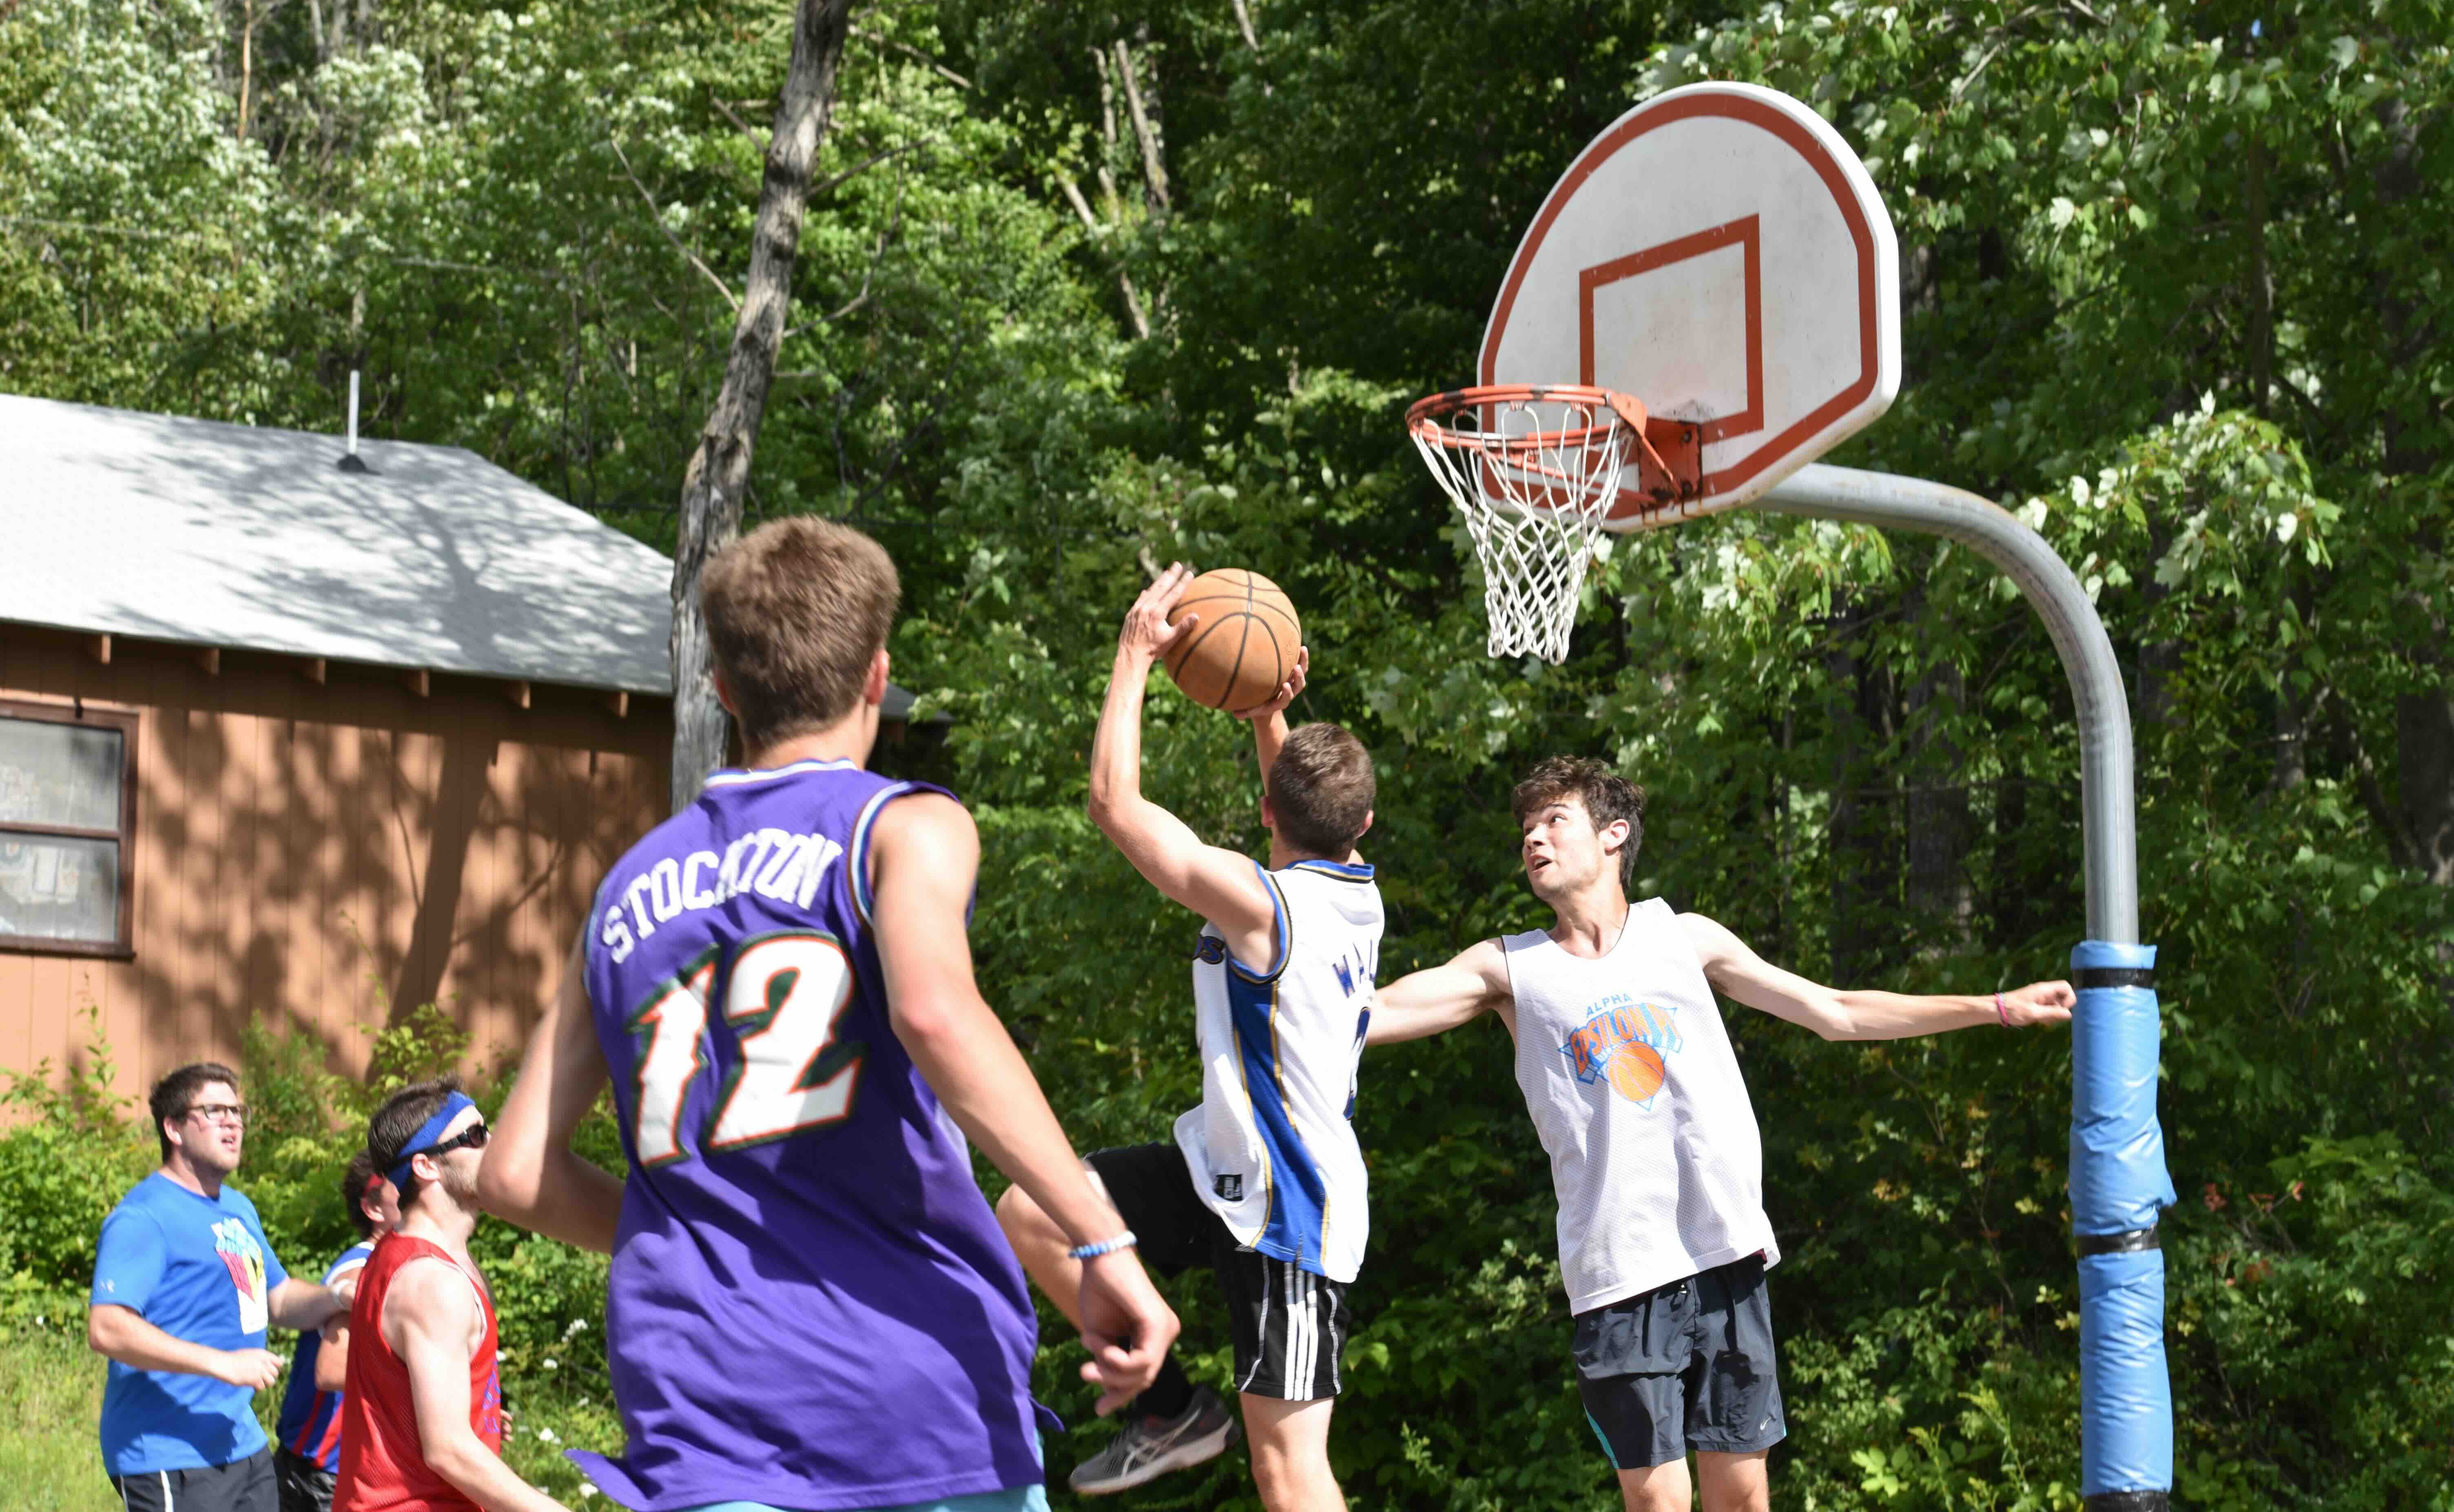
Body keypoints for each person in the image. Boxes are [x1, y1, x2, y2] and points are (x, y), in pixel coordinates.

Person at [477, 515, 1179, 1512]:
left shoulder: (626, 889)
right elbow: (934, 1013)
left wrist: (699, 1224)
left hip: (699, 1410)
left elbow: (511, 1171)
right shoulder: (900, 825)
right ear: (877, 674)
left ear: (722, 689)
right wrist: (1100, 1240)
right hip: (909, 1397)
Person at [1367, 757, 2078, 1512]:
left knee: (1743, 1499)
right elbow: (1368, 1013)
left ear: (1614, 835)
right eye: (1526, 830)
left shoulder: (1683, 936)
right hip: (1619, 1277)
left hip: (1723, 1256)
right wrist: (1267, 954)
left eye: (1554, 821)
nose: (1533, 840)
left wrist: (1993, 1006)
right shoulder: (1510, 967)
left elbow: (1835, 1012)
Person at [997, 565, 1382, 1509]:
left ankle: (1180, 1411)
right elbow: (1305, 817)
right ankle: (1169, 1411)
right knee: (1035, 1210)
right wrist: (1264, 718)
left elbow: (1114, 807)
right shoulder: (1357, 889)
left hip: (1292, 1206)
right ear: (1363, 823)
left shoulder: (1261, 905)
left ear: (1263, 819)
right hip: (1222, 1167)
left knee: (1288, 1471)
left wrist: (1134, 653)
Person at [89, 1062, 357, 1512]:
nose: (233, 1121)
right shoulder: (144, 1216)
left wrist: (337, 1297)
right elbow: (108, 1327)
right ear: (173, 1127)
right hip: (169, 1451)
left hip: (241, 1440)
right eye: (214, 1110)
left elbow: (279, 1298)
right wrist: (224, 1364)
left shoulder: (236, 1208)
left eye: (237, 1110)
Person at [334, 1080, 565, 1512]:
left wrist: (481, 1413)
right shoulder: (431, 1281)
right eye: (476, 1136)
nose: (494, 1143)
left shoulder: (408, 1253)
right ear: (426, 1166)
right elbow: (448, 1449)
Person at [272, 1153, 402, 1512]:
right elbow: (330, 1371)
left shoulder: (393, 1265)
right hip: (320, 1473)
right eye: (400, 1182)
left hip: (343, 1468)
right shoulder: (362, 1268)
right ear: (373, 1209)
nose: (414, 1187)